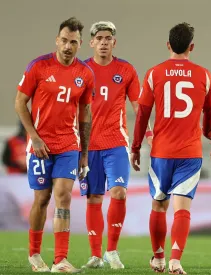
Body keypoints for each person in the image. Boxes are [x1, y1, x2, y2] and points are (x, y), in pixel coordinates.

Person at [131, 22, 211, 274]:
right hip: (190, 153)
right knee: (182, 209)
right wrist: (207, 132)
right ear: (192, 47)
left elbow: (142, 114)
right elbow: (210, 110)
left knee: (159, 204)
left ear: (168, 45)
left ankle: (158, 258)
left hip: (161, 151)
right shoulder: (203, 74)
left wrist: (136, 147)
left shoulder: (154, 73)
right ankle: (175, 260)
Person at [14, 17, 93, 273]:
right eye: (64, 40)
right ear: (57, 40)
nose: (68, 46)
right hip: (40, 146)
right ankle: (35, 254)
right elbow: (19, 103)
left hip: (69, 145)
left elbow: (85, 114)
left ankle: (60, 259)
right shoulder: (38, 66)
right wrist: (34, 137)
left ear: (80, 44)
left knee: (63, 196)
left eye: (73, 42)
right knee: (42, 198)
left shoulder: (85, 74)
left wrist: (84, 153)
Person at [80, 21, 152, 270]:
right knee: (93, 198)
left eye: (107, 38)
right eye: (98, 38)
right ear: (91, 42)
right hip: (87, 146)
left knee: (119, 192)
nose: (103, 42)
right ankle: (95, 255)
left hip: (116, 143)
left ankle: (111, 251)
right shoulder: (81, 69)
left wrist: (147, 134)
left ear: (114, 42)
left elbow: (138, 107)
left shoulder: (126, 70)